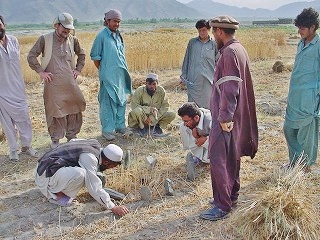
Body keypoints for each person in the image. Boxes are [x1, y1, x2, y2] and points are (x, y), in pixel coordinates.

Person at [200, 16, 258, 221]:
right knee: (231, 158)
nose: (214, 35)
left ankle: (222, 205)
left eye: (214, 31)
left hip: (226, 118)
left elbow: (230, 87)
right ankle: (230, 197)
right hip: (234, 116)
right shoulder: (238, 49)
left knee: (219, 159)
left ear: (220, 32)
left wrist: (224, 117)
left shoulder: (229, 53)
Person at [27, 12, 86, 149]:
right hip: (52, 84)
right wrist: (41, 72)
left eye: (69, 28)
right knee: (55, 111)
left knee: (74, 107)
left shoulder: (73, 40)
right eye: (64, 27)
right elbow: (31, 56)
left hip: (70, 83)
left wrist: (78, 70)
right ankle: (56, 139)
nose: (66, 31)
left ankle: (72, 136)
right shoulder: (45, 39)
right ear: (56, 25)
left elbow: (82, 54)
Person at [35, 139, 129, 216]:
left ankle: (58, 187)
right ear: (106, 162)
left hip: (44, 167)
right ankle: (57, 195)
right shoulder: (90, 157)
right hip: (44, 176)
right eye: (112, 166)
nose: (110, 169)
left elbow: (73, 140)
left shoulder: (95, 144)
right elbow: (94, 187)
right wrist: (113, 207)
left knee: (85, 173)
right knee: (81, 174)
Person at [283, 8, 320, 172]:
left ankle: (305, 166)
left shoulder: (318, 46)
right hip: (294, 96)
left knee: (307, 133)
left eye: (302, 28)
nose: (299, 32)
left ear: (313, 27)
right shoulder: (300, 43)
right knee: (289, 129)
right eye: (298, 28)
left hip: (309, 98)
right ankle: (295, 162)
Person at [90, 9, 132, 141]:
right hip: (108, 78)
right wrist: (105, 72)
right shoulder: (101, 36)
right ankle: (107, 131)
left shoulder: (118, 36)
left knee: (121, 101)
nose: (117, 24)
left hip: (120, 77)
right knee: (108, 104)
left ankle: (120, 127)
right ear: (107, 21)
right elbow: (96, 58)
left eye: (119, 22)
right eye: (115, 21)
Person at [0, 15, 37, 161]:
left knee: (24, 119)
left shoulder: (14, 40)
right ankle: (13, 149)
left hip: (18, 88)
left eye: (0, 25)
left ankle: (27, 146)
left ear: (4, 25)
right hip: (2, 90)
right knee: (7, 123)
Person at [180, 19, 218, 109]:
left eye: (204, 30)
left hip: (208, 80)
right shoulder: (192, 43)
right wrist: (183, 76)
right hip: (193, 79)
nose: (201, 32)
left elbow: (218, 62)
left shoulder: (214, 44)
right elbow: (187, 59)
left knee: (208, 105)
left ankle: (207, 122)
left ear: (208, 29)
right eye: (199, 30)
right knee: (192, 107)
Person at [177, 102, 211, 181]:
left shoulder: (210, 121)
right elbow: (190, 124)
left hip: (218, 146)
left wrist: (206, 138)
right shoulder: (196, 115)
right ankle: (197, 156)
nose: (185, 124)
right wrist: (193, 128)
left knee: (209, 155)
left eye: (186, 121)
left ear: (196, 118)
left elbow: (222, 139)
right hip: (203, 142)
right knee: (182, 127)